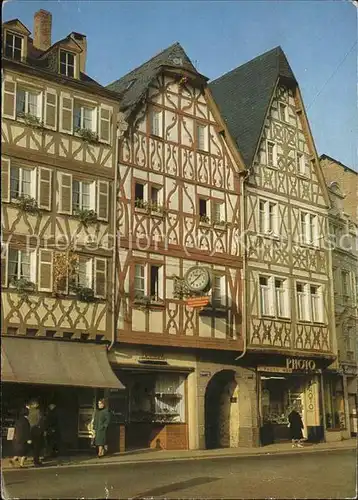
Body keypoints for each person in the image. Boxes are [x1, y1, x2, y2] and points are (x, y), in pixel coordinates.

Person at [26, 400, 45, 466]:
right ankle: (36, 461)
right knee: (37, 447)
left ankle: (24, 458)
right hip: (37, 431)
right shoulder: (38, 411)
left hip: (29, 430)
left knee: (31, 446)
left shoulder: (28, 411)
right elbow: (41, 420)